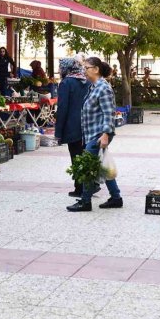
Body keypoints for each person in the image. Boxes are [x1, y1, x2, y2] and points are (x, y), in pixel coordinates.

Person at [67, 57, 123, 212]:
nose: (84, 71)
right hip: (93, 133)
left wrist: (106, 134)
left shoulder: (103, 88)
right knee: (101, 165)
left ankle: (85, 201)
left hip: (99, 133)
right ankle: (116, 197)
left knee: (88, 166)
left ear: (96, 69)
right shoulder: (94, 86)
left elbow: (109, 113)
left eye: (86, 67)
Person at [54, 58, 89, 199]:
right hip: (87, 124)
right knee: (85, 155)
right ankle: (87, 186)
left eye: (60, 68)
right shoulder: (85, 81)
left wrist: (58, 131)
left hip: (72, 125)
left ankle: (79, 188)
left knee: (75, 156)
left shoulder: (66, 83)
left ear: (66, 68)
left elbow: (62, 107)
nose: (59, 70)